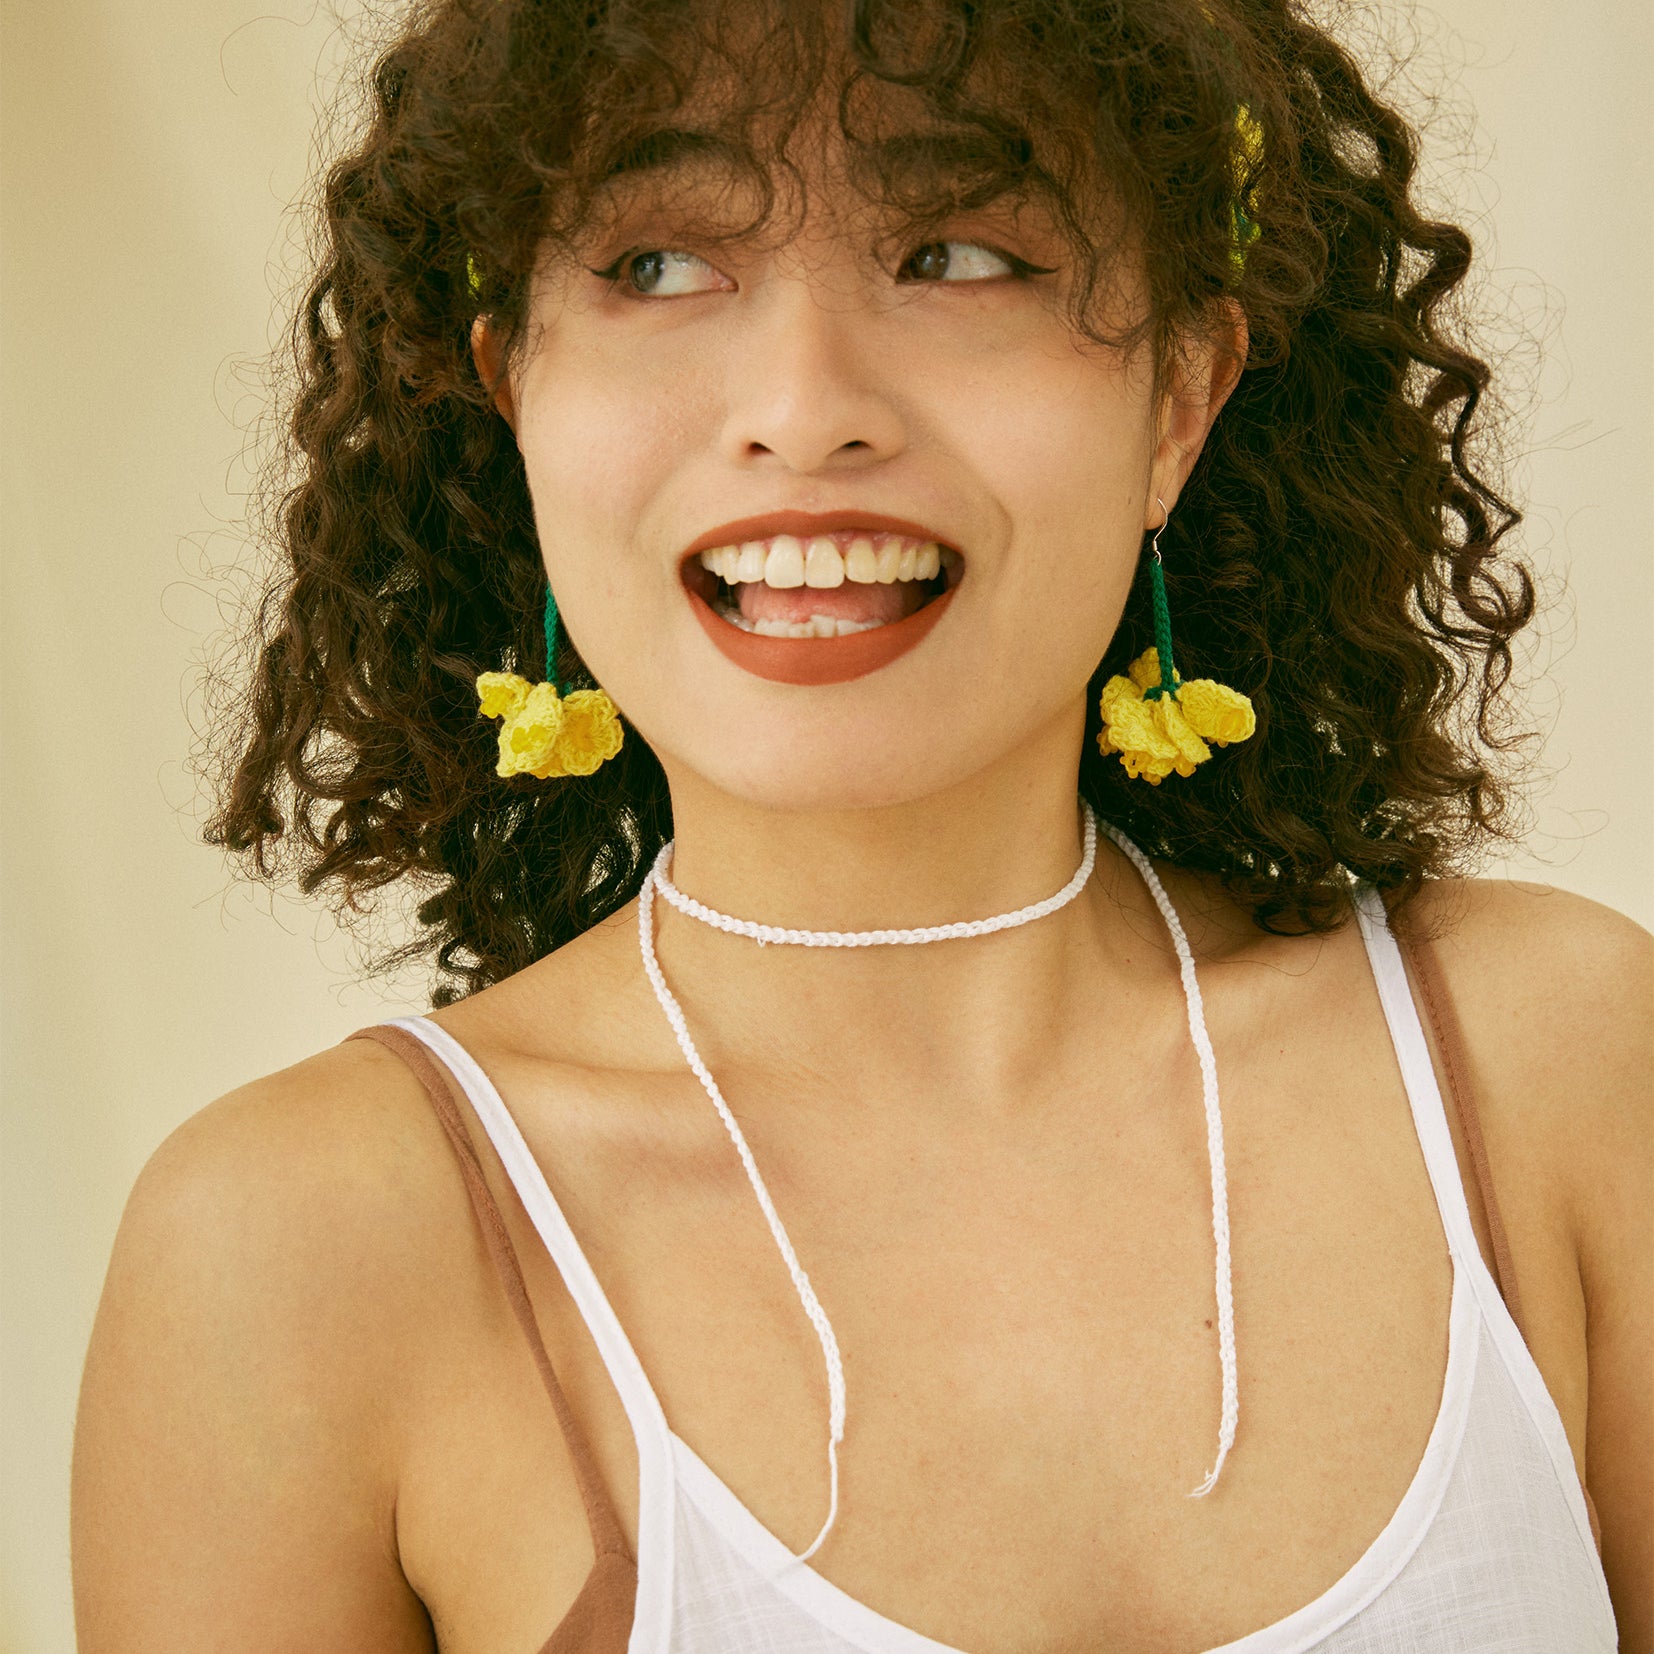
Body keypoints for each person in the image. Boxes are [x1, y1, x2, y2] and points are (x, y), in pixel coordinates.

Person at [70, 0, 1649, 1649]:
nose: (804, 409)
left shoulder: (1558, 1065)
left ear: (1181, 394)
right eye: (659, 265)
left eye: (958, 251)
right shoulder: (300, 1249)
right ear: (511, 389)